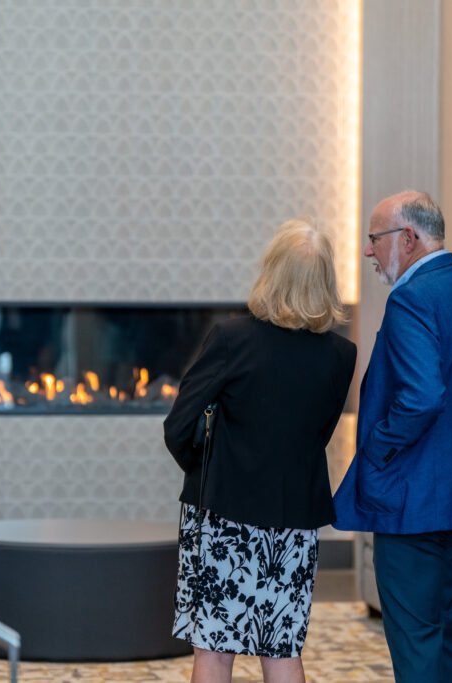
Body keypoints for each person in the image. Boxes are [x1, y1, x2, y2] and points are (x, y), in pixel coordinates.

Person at [164, 218, 357, 683]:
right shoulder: (340, 355)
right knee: (282, 649)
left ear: (271, 272)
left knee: (213, 652)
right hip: (293, 523)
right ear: (325, 280)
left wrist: (206, 472)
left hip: (222, 517)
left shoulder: (232, 339)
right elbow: (320, 434)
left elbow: (178, 425)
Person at [333, 191, 452, 682]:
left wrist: (376, 450)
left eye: (375, 239)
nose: (368, 252)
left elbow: (422, 398)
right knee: (451, 632)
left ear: (408, 238)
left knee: (415, 644)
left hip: (414, 506)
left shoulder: (411, 299)